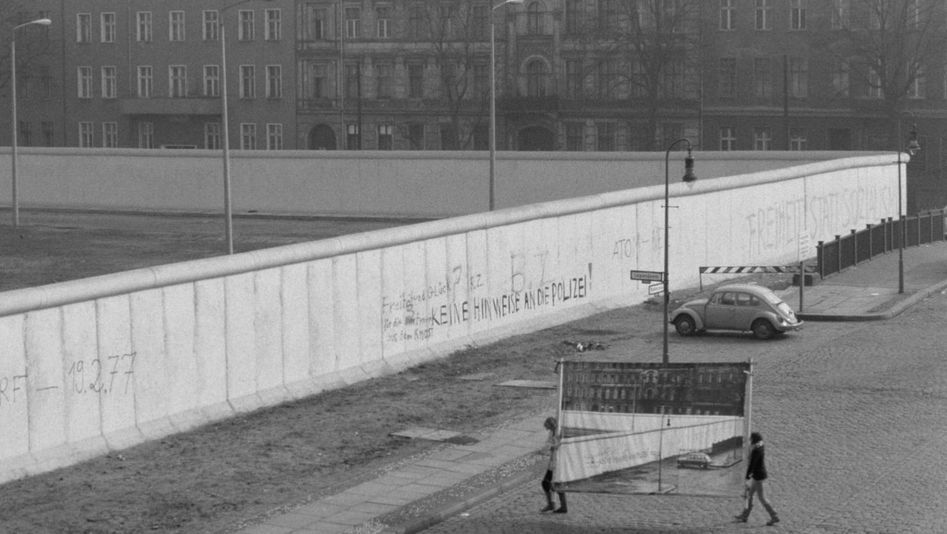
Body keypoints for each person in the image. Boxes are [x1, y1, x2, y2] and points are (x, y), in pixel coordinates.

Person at [736, 431, 779, 526]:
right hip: (759, 476)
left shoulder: (756, 450)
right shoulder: (760, 446)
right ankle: (745, 515)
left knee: (761, 498)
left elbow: (752, 464)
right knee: (750, 496)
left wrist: (747, 475)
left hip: (758, 477)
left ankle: (774, 515)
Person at [540, 416, 567, 513]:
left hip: (558, 462)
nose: (548, 430)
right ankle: (555, 504)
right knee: (549, 483)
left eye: (548, 427)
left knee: (553, 483)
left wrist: (553, 445)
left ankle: (555, 505)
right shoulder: (552, 432)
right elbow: (549, 444)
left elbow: (559, 444)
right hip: (553, 461)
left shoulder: (560, 431)